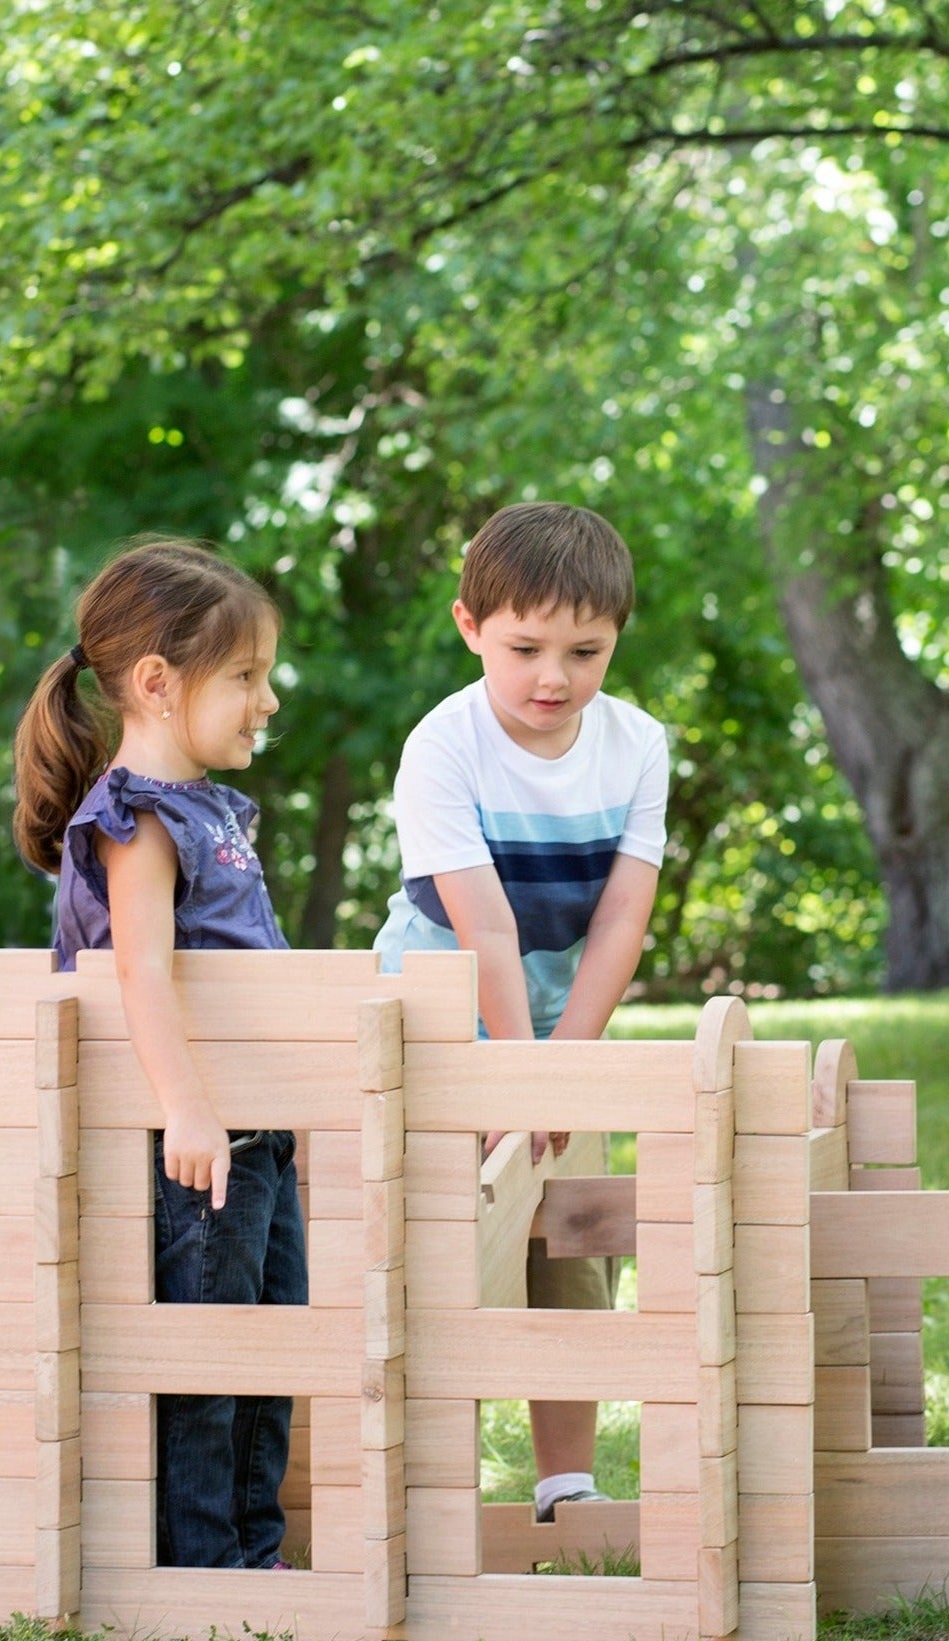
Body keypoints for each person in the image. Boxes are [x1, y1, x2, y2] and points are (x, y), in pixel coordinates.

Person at [13, 539, 307, 1568]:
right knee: (207, 1357)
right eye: (244, 676)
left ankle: (257, 1557)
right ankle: (203, 1568)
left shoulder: (215, 809)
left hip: (258, 1135)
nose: (265, 701)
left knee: (271, 1349)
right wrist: (190, 1112)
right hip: (193, 1146)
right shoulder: (134, 822)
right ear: (156, 683)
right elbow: (142, 972)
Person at [375, 501, 668, 1523]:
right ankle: (412, 1478)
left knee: (572, 1235)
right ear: (470, 628)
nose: (555, 677)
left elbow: (622, 920)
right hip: (440, 1023)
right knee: (430, 1240)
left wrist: (561, 1072)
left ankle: (565, 1485)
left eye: (586, 651)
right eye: (526, 648)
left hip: (557, 1027)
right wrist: (514, 1076)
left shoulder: (638, 747)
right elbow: (486, 931)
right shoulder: (442, 746)